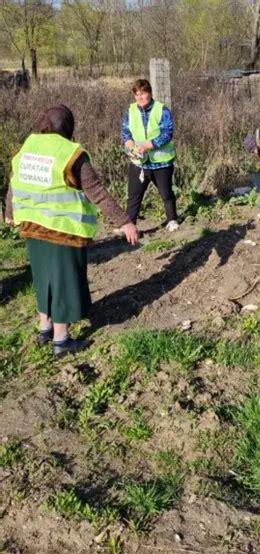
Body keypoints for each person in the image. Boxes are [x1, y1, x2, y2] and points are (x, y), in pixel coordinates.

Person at [4, 104, 139, 358]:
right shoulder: (72, 154)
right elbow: (97, 192)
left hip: (32, 226)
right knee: (65, 282)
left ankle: (45, 328)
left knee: (44, 279)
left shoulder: (28, 146)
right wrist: (124, 222)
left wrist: (9, 212)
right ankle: (61, 339)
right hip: (63, 231)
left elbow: (15, 181)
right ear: (68, 127)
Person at [121, 78, 179, 231]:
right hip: (138, 162)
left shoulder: (162, 110)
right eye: (137, 94)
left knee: (166, 193)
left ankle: (172, 219)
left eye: (143, 93)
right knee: (134, 195)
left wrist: (148, 145)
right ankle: (130, 225)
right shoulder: (131, 111)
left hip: (161, 161)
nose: (140, 97)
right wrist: (131, 146)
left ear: (150, 93)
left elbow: (167, 133)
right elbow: (126, 132)